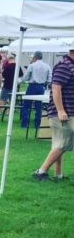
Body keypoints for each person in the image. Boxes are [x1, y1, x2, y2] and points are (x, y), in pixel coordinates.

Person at [32, 46, 74, 182]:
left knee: (59, 144)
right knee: (63, 143)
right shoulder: (65, 66)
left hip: (65, 111)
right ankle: (41, 171)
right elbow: (56, 88)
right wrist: (61, 110)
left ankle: (58, 174)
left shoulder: (68, 65)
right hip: (62, 112)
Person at [21, 50, 52, 130]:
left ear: (35, 57)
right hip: (41, 87)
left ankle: (25, 124)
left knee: (27, 105)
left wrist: (27, 79)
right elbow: (50, 79)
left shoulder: (32, 65)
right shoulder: (47, 66)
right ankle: (38, 124)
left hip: (32, 86)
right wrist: (45, 83)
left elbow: (25, 77)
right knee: (39, 106)